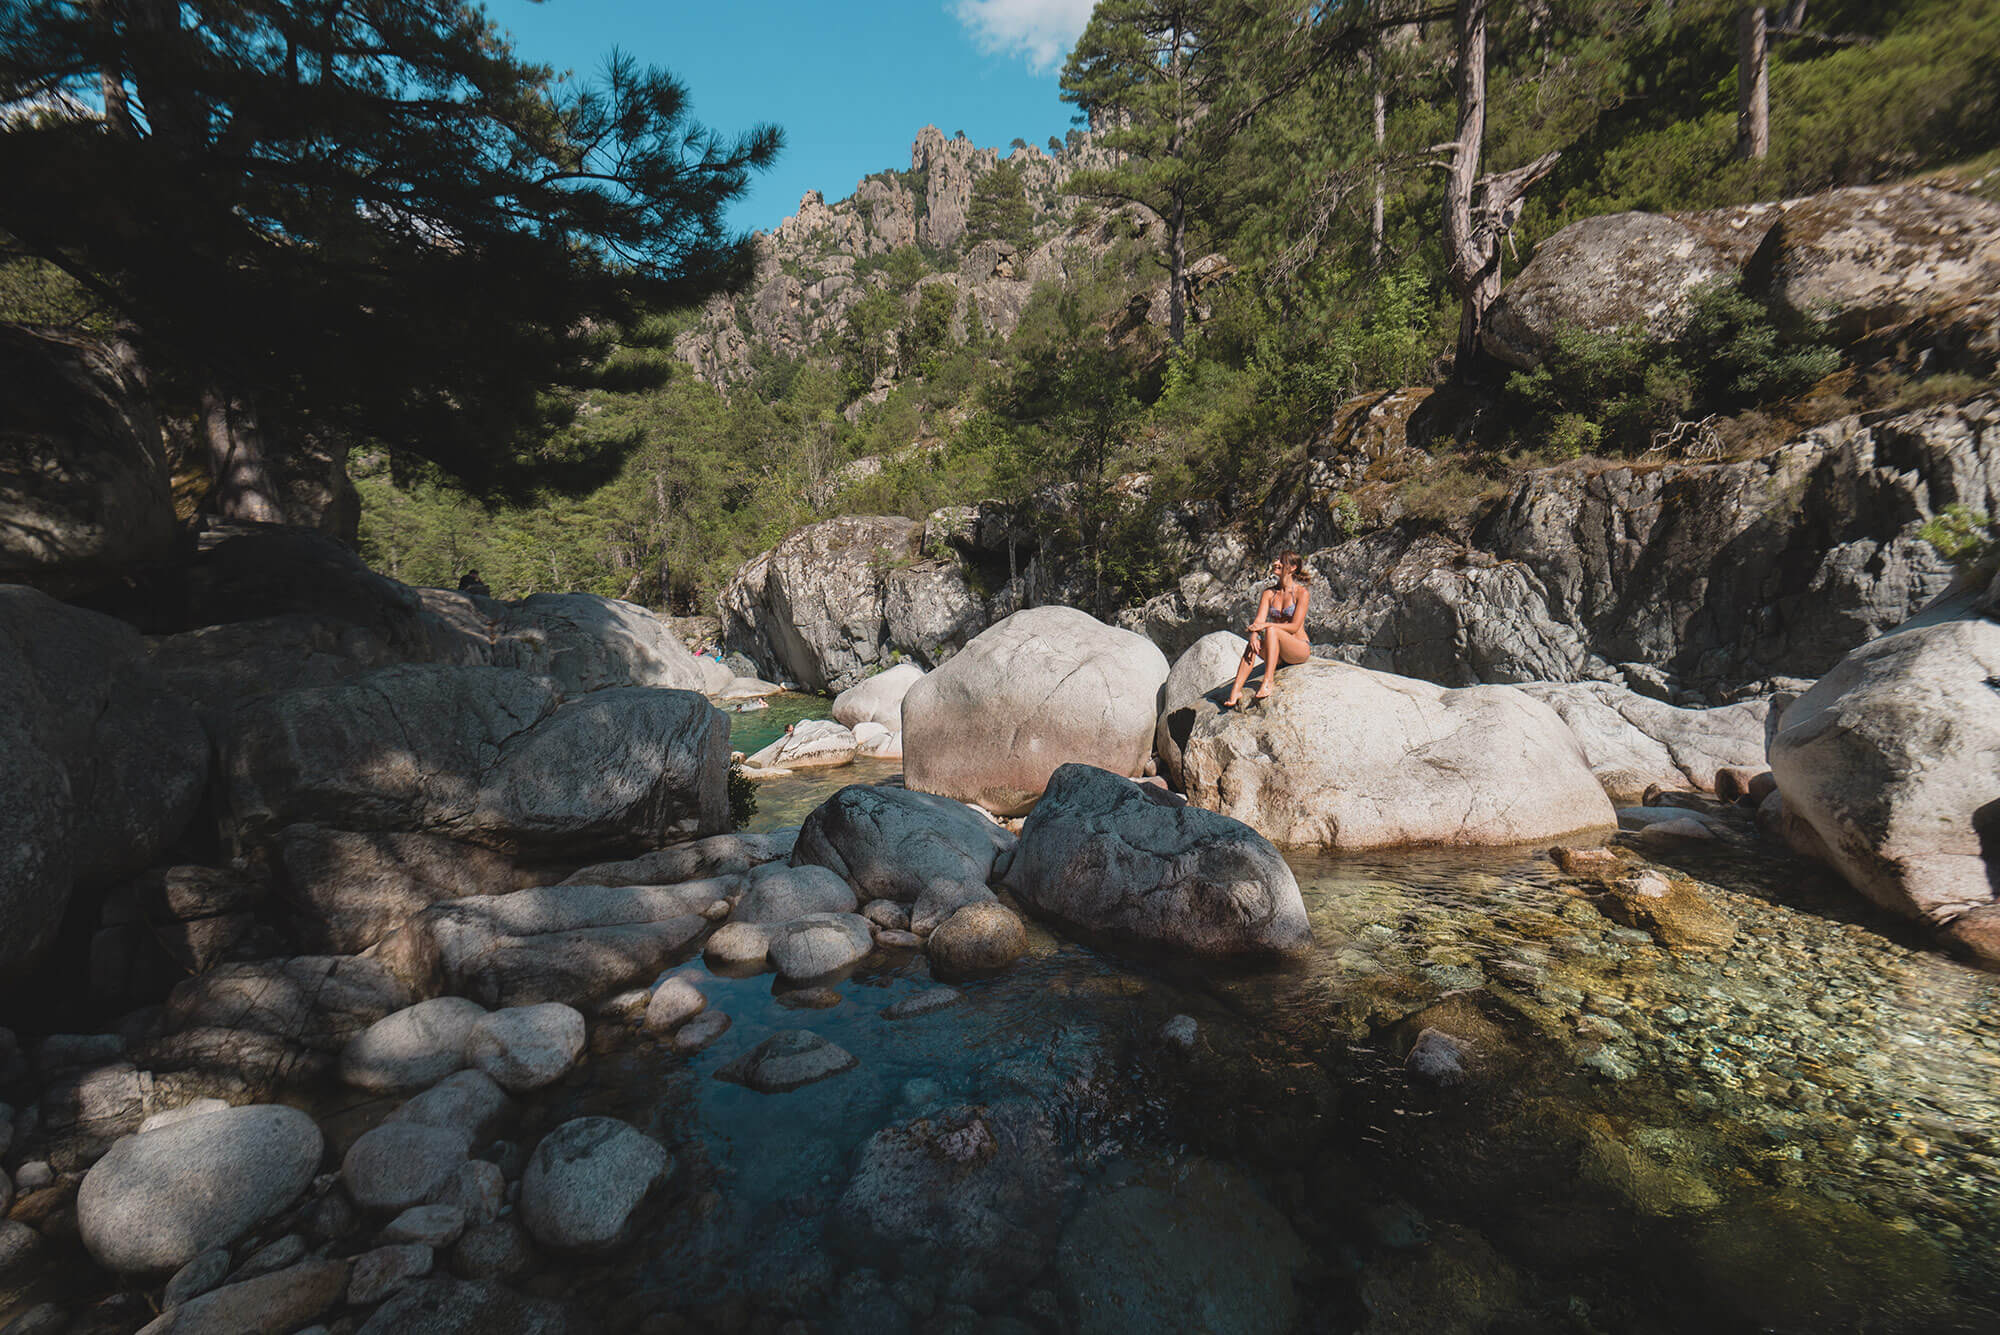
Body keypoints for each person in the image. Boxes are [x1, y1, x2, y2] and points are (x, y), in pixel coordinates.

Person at [1222, 551, 1312, 708]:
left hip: (1298, 648)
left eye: (1281, 562)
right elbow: (1259, 621)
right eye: (1276, 560)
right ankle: (1235, 690)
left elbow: (1294, 626)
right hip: (1277, 652)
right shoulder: (1269, 593)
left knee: (1271, 630)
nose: (1276, 563)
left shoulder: (1301, 593)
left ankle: (1268, 680)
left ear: (1292, 568)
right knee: (1252, 645)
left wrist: (1265, 626)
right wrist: (1253, 637)